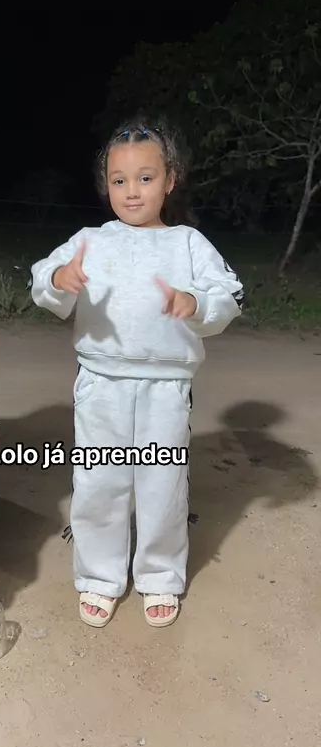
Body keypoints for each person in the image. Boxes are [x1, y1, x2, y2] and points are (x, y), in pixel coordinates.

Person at [30, 115, 244, 630]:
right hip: (100, 383)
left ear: (170, 180)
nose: (131, 191)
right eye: (119, 180)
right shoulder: (91, 239)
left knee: (161, 483)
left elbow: (228, 293)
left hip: (166, 387)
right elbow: (41, 280)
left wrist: (195, 302)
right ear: (105, 185)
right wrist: (60, 278)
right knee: (98, 481)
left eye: (145, 178)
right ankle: (100, 575)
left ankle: (160, 574)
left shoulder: (188, 243)